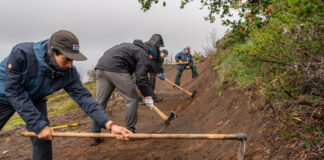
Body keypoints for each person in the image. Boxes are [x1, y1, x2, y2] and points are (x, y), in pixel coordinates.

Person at [0, 30, 132, 160]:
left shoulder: (69, 73)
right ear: (53, 52)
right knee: (40, 126)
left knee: (45, 137)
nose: (70, 65)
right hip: (4, 94)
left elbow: (85, 99)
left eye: (73, 60)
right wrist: (38, 125)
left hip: (35, 97)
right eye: (66, 59)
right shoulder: (21, 53)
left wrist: (110, 125)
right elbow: (14, 91)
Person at [90, 34, 164, 145]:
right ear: (151, 53)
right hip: (116, 68)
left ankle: (94, 135)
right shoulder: (143, 54)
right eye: (152, 58)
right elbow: (141, 78)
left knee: (100, 103)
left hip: (101, 67)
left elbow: (132, 71)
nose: (150, 60)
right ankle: (130, 131)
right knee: (132, 99)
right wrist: (148, 96)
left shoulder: (132, 47)